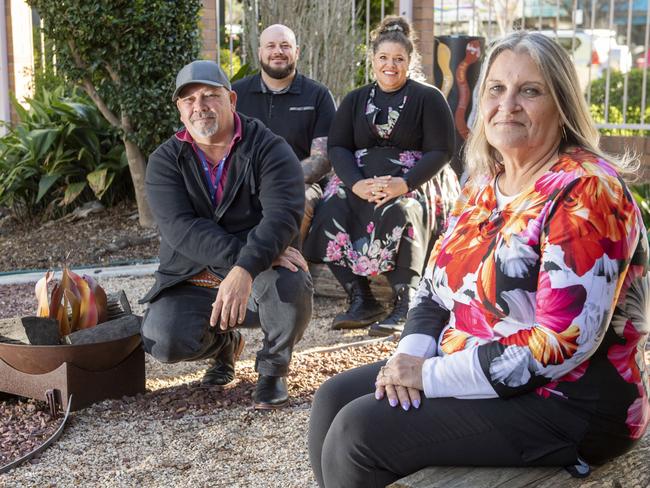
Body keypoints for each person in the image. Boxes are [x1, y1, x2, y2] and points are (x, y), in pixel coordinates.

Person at [308, 31, 649, 488]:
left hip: (568, 400)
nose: (508, 105)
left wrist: (429, 375)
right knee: (332, 399)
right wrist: (408, 360)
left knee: (359, 433)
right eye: (496, 89)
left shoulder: (586, 191)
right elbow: (432, 287)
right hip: (472, 363)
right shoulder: (484, 181)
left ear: (562, 104)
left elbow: (560, 343)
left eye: (530, 91)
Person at [140, 60, 313, 410]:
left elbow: (282, 216)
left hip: (260, 270)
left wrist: (248, 268)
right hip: (193, 272)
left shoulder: (269, 148)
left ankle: (272, 370)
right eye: (188, 100)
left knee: (290, 287)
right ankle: (224, 347)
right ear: (179, 109)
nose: (199, 106)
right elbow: (181, 229)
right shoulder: (165, 161)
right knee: (162, 339)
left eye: (209, 95)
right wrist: (243, 260)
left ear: (232, 99)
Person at [303, 16, 460, 336]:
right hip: (359, 177)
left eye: (399, 59)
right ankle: (362, 297)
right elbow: (338, 146)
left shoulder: (428, 98)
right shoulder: (355, 99)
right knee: (331, 207)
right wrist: (356, 183)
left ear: (410, 61)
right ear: (373, 59)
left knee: (404, 209)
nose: (391, 65)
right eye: (384, 58)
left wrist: (404, 183)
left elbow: (441, 151)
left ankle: (407, 300)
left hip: (415, 178)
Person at [233, 24, 336, 243]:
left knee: (296, 201)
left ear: (296, 52)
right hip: (244, 181)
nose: (277, 51)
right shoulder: (236, 94)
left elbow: (323, 158)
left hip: (300, 184)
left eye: (285, 46)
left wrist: (278, 181)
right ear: (260, 52)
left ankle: (288, 271)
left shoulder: (317, 95)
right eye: (270, 45)